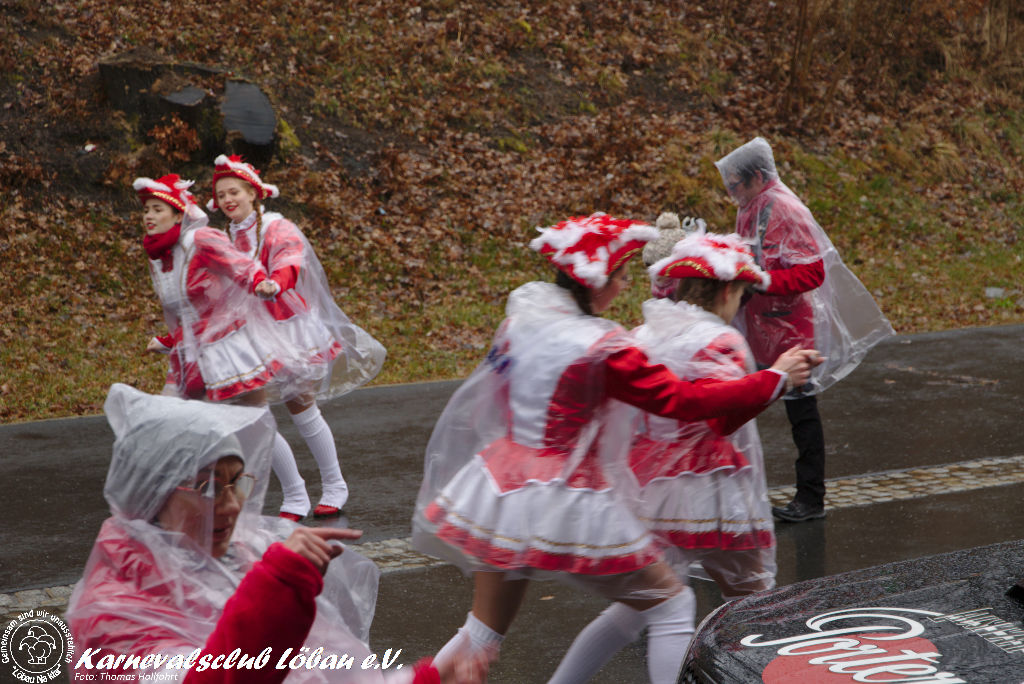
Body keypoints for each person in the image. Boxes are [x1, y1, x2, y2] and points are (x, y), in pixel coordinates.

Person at [411, 213, 818, 683]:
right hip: (563, 492)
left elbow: (500, 394)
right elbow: (683, 402)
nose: (626, 286)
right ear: (598, 281)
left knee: (482, 633)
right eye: (622, 276)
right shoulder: (603, 345)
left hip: (500, 481)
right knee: (672, 604)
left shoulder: (522, 318)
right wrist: (775, 379)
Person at [66, 383, 484, 684]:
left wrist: (423, 678)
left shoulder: (236, 560)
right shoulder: (111, 613)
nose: (232, 505)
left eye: (237, 484)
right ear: (152, 492)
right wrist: (278, 586)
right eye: (209, 487)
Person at [716, 137, 894, 523]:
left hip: (789, 329)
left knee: (801, 412)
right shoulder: (749, 207)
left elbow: (812, 272)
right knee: (740, 402)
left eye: (735, 185)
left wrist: (764, 281)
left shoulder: (786, 209)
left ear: (757, 176)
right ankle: (729, 489)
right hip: (758, 324)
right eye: (728, 186)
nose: (732, 193)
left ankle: (811, 497)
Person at [208, 154, 386, 521]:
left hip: (285, 328)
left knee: (301, 407)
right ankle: (294, 492)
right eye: (221, 194)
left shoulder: (276, 227)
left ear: (253, 193)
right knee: (255, 417)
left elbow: (289, 259)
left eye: (234, 192)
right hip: (245, 335)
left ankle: (335, 484)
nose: (227, 200)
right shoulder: (221, 238)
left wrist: (276, 283)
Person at [135, 174, 312, 521]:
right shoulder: (160, 255)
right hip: (190, 353)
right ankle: (182, 504)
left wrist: (262, 283)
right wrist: (169, 341)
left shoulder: (200, 239)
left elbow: (241, 265)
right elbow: (180, 310)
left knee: (255, 424)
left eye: (157, 209)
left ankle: (295, 493)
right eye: (146, 211)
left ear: (178, 213)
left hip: (226, 347)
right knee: (177, 423)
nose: (149, 217)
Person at [634, 226, 778, 597]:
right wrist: (778, 382)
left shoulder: (645, 334)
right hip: (710, 487)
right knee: (751, 595)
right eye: (740, 296)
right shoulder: (721, 339)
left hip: (650, 483)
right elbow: (722, 415)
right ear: (727, 291)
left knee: (653, 601)